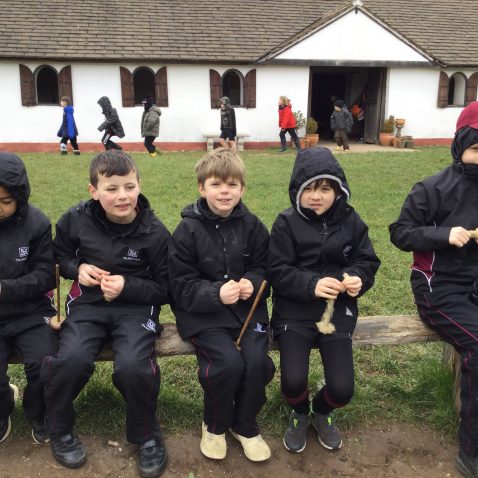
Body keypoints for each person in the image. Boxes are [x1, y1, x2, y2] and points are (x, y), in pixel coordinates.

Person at [42, 151, 171, 477]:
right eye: (111, 188)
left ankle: (146, 434)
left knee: (132, 366)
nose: (122, 196)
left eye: (129, 186)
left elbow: (167, 288)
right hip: (88, 304)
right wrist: (78, 267)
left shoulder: (155, 232)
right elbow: (58, 258)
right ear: (93, 191)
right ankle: (59, 427)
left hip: (136, 308)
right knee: (70, 359)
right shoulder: (74, 219)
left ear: (139, 185)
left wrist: (128, 286)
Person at [268, 147, 380, 454]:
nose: (317, 196)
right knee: (292, 382)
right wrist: (311, 284)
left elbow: (367, 260)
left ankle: (321, 410)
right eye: (309, 188)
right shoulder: (285, 223)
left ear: (338, 191)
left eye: (325, 188)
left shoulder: (351, 220)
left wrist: (358, 277)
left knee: (342, 390)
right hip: (294, 313)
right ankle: (300, 411)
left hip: (336, 315)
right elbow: (276, 271)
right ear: (297, 190)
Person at [389, 101, 478, 478]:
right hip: (438, 286)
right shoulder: (432, 188)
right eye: (476, 147)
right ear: (460, 145)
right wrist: (444, 235)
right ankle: (471, 446)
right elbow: (400, 232)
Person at [168, 148, 274, 462]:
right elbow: (180, 286)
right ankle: (215, 424)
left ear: (242, 188)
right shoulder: (187, 230)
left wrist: (252, 284)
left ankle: (245, 424)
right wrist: (216, 293)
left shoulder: (254, 226)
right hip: (203, 316)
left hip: (247, 313)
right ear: (202, 188)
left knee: (257, 364)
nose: (224, 191)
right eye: (216, 184)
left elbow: (266, 269)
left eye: (231, 185)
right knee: (227, 364)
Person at [0, 152, 58, 445]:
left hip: (31, 312)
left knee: (45, 361)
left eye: (5, 202)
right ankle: (2, 407)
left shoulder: (36, 223)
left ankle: (39, 412)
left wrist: (5, 289)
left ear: (20, 197)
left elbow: (47, 275)